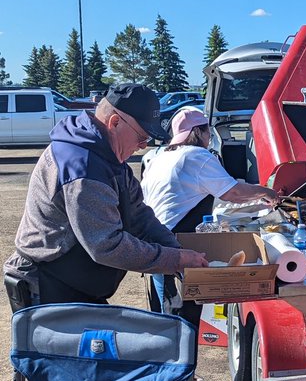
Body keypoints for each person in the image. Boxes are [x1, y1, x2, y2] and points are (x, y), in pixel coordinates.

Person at [4, 83, 209, 310]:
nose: (143, 146)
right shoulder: (83, 168)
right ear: (115, 122)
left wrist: (176, 250)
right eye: (141, 137)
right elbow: (106, 245)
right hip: (47, 286)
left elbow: (139, 215)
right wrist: (175, 260)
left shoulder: (109, 157)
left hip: (75, 284)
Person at [140, 106, 279, 381]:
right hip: (174, 249)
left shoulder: (161, 156)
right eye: (206, 131)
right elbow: (233, 192)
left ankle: (179, 379)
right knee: (183, 321)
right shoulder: (196, 156)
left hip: (154, 247)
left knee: (171, 319)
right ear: (199, 133)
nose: (209, 137)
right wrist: (265, 191)